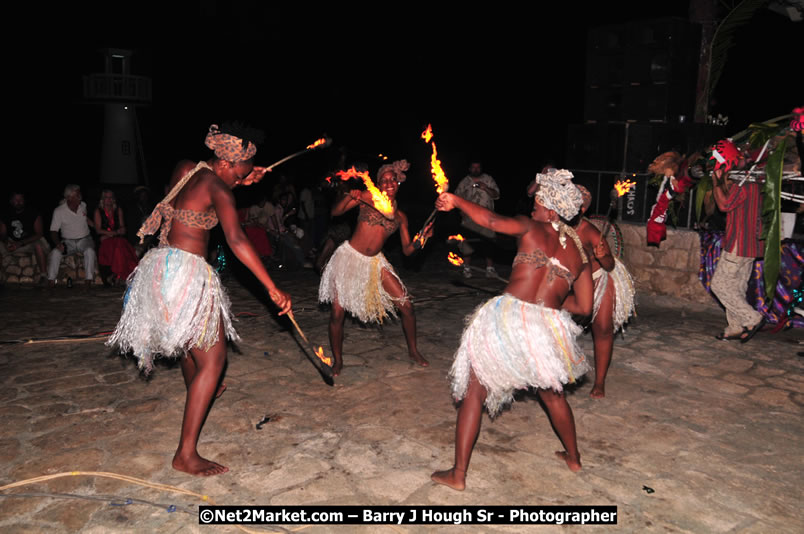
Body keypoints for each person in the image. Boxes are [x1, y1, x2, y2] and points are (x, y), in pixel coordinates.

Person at [107, 123, 292, 476]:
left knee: (194, 345)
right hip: (187, 272)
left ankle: (198, 392)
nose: (249, 172)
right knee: (213, 358)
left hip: (160, 266)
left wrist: (242, 180)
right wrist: (271, 287)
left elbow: (192, 195)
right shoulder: (219, 187)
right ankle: (186, 454)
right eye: (246, 166)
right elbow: (236, 240)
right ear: (228, 161)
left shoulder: (187, 169)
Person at [430, 168, 593, 491]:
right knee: (553, 395)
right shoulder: (579, 255)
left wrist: (457, 200)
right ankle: (573, 457)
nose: (534, 204)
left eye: (540, 201)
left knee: (475, 390)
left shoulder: (531, 225)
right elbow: (585, 307)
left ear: (551, 210)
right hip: (546, 327)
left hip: (507, 319)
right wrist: (549, 305)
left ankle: (459, 474)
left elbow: (490, 222)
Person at [319, 160, 432, 376]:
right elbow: (335, 212)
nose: (389, 183)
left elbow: (408, 250)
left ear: (398, 182)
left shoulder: (400, 217)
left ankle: (413, 351)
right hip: (349, 257)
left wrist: (422, 239)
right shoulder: (367, 197)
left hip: (375, 262)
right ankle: (338, 360)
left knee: (406, 305)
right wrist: (347, 198)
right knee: (336, 312)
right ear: (378, 184)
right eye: (384, 180)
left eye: (392, 179)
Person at [573, 184, 636, 398]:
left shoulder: (589, 231)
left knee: (602, 329)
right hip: (570, 283)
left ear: (581, 209)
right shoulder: (554, 225)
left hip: (598, 279)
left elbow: (610, 265)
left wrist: (603, 256)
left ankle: (599, 382)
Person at [709, 139, 765, 342]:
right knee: (737, 288)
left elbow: (724, 205)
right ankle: (735, 326)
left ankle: (752, 318)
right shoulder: (755, 181)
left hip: (738, 244)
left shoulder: (743, 184)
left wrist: (716, 182)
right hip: (750, 245)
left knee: (719, 285)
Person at [453, 161, 500, 278]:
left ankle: (490, 269)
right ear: (470, 168)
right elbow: (456, 198)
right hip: (469, 217)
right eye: (473, 167)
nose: (476, 169)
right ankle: (467, 268)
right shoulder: (465, 181)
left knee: (489, 241)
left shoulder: (488, 179)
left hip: (487, 217)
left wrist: (486, 188)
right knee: (466, 242)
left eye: (478, 167)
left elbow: (496, 195)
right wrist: (461, 211)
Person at [47, 185, 97, 287]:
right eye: (77, 194)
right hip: (68, 241)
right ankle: (51, 280)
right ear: (69, 197)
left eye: (79, 193)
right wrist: (57, 244)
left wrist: (98, 227)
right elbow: (53, 231)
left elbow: (85, 219)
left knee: (90, 251)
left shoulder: (83, 205)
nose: (80, 196)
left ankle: (88, 279)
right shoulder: (59, 211)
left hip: (85, 239)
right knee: (55, 252)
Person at [0, 191, 50, 284]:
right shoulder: (5, 214)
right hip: (12, 243)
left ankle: (44, 275)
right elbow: (2, 234)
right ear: (11, 201)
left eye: (21, 199)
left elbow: (39, 233)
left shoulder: (34, 213)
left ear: (24, 201)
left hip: (29, 242)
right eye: (16, 199)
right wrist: (7, 242)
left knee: (39, 244)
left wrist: (21, 243)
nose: (18, 202)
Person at [94, 189, 139, 286]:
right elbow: (98, 230)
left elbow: (123, 228)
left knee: (121, 245)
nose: (109, 200)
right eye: (106, 198)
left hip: (115, 238)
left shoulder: (118, 210)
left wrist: (114, 233)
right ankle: (119, 275)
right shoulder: (98, 211)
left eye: (111, 197)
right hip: (105, 240)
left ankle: (118, 275)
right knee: (118, 245)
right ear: (103, 199)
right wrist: (113, 233)